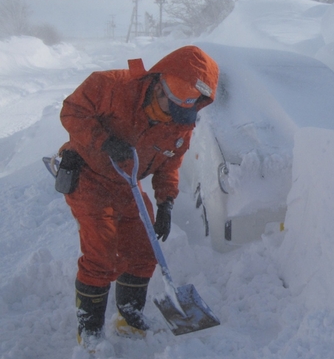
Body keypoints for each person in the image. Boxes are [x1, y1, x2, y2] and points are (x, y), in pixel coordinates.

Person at [57, 45, 219, 346]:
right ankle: (90, 330)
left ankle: (129, 317)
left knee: (144, 250)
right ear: (159, 86)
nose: (176, 117)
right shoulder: (113, 86)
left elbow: (170, 163)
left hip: (125, 182)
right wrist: (104, 141)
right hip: (88, 175)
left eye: (186, 110)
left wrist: (165, 202)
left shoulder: (181, 123)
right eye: (173, 106)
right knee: (102, 253)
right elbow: (71, 111)